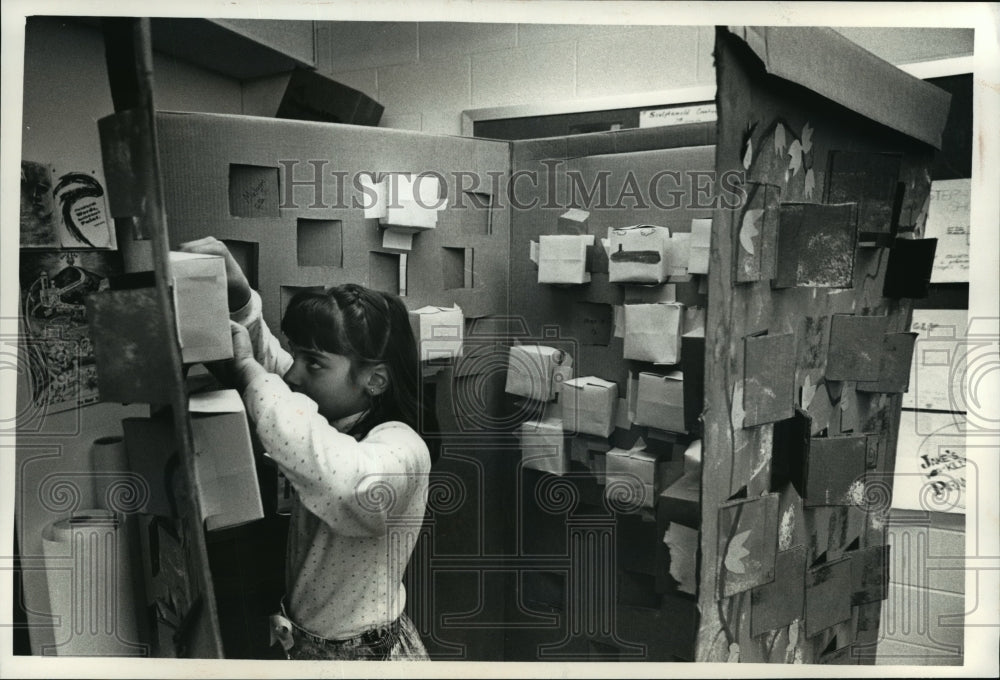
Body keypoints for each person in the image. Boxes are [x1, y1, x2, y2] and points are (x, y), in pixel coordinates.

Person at [180, 237, 436, 661]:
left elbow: (347, 486)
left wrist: (248, 374)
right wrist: (241, 299)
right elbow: (277, 375)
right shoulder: (335, 414)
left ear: (375, 380)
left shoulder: (404, 447)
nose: (295, 374)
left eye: (313, 362)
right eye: (296, 354)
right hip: (317, 649)